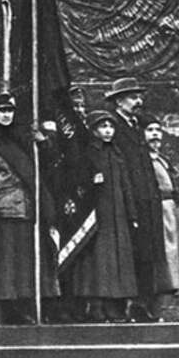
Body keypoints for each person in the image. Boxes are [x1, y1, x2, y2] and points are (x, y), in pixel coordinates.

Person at [0, 93, 59, 325]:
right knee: (0, 261)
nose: (6, 115)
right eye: (1, 111)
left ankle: (22, 306)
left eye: (9, 111)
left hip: (26, 205)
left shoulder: (22, 135)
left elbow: (45, 165)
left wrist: (42, 143)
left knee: (22, 261)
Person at [104, 77, 171, 321]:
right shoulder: (113, 126)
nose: (138, 101)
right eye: (133, 97)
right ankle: (122, 306)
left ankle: (143, 304)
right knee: (127, 253)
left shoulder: (136, 125)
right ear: (119, 101)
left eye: (139, 97)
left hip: (147, 199)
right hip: (127, 199)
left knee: (147, 253)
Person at [72, 110, 138, 321]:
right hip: (99, 214)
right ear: (93, 130)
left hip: (119, 214)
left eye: (111, 127)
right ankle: (96, 305)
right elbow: (78, 182)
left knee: (119, 259)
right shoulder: (89, 153)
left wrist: (132, 214)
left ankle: (116, 305)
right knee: (100, 260)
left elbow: (126, 185)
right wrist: (91, 181)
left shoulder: (117, 153)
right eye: (103, 127)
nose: (108, 131)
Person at [143, 114, 179, 297]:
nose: (155, 134)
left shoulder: (162, 158)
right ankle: (169, 283)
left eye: (158, 130)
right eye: (150, 130)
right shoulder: (143, 159)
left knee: (177, 244)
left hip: (170, 206)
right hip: (158, 206)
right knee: (167, 245)